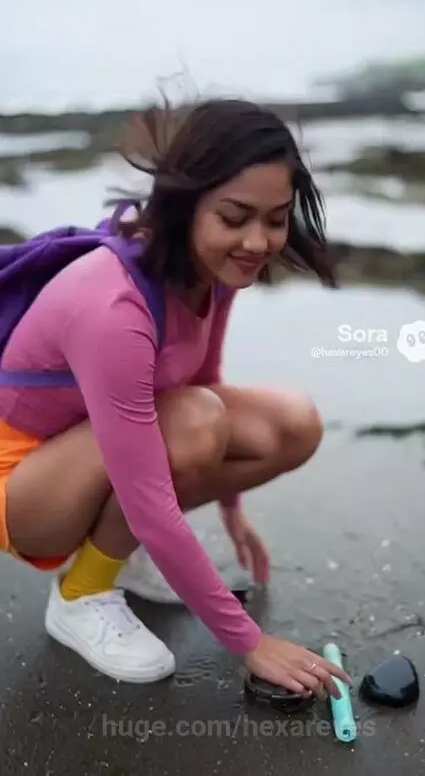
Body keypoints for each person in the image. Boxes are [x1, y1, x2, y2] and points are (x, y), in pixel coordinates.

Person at [0, 98, 352, 699]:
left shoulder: (212, 268)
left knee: (295, 423)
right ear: (187, 204)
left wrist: (232, 510)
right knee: (194, 424)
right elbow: (167, 464)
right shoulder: (114, 308)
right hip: (21, 488)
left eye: (275, 218)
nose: (258, 241)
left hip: (98, 447)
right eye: (236, 216)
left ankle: (115, 555)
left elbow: (204, 379)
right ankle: (81, 596)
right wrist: (249, 643)